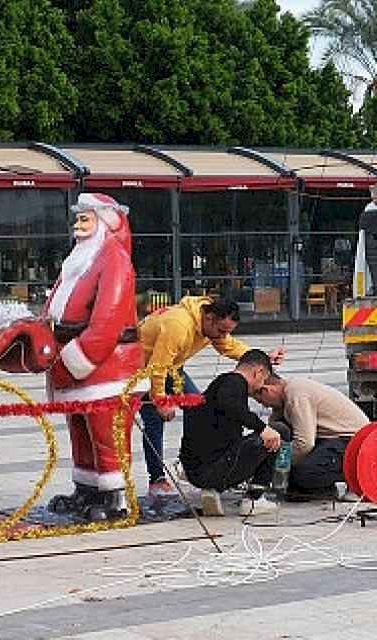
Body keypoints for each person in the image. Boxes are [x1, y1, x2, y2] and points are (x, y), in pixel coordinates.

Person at [44, 193, 146, 521]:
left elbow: (109, 317)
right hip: (74, 366)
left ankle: (115, 496)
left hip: (106, 367)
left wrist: (81, 355)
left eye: (85, 218)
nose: (78, 224)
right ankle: (86, 489)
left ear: (105, 222)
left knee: (106, 431)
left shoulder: (114, 259)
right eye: (78, 218)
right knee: (81, 430)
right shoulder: (79, 259)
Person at [136, 296, 285, 497]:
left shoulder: (209, 325)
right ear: (209, 318)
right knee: (155, 420)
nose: (223, 336)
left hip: (171, 367)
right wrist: (160, 400)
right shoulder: (178, 325)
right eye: (221, 331)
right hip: (139, 367)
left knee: (198, 406)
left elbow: (229, 345)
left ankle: (196, 460)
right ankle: (157, 479)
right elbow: (157, 367)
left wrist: (263, 358)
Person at [180, 349, 286, 517]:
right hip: (214, 468)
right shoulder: (235, 384)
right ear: (258, 372)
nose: (261, 387)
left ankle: (212, 488)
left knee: (237, 443)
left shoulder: (221, 383)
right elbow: (232, 405)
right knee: (277, 433)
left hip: (196, 470)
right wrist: (263, 428)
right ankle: (254, 499)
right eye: (263, 380)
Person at [252, 374, 369, 496]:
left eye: (261, 401)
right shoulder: (288, 393)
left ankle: (356, 474)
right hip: (332, 438)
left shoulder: (297, 395)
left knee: (301, 474)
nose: (264, 406)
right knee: (294, 482)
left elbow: (304, 444)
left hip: (353, 443)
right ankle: (322, 487)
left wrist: (279, 466)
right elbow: (276, 429)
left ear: (267, 390)